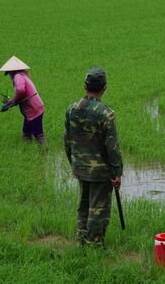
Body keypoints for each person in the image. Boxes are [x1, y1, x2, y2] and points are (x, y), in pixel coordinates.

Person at [64, 67, 123, 247]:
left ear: (85, 86)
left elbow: (67, 140)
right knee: (98, 208)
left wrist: (73, 162)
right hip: (100, 170)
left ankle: (82, 238)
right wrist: (117, 173)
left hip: (80, 166)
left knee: (84, 204)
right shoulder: (106, 114)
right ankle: (95, 244)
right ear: (104, 88)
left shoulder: (71, 109)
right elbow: (112, 147)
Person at [0, 56, 45, 144]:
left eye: (9, 73)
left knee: (38, 134)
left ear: (12, 71)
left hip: (33, 109)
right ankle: (27, 152)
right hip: (32, 109)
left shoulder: (17, 76)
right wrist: (11, 102)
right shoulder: (23, 75)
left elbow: (20, 91)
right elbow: (21, 94)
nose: (9, 76)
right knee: (26, 132)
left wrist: (14, 102)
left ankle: (44, 153)